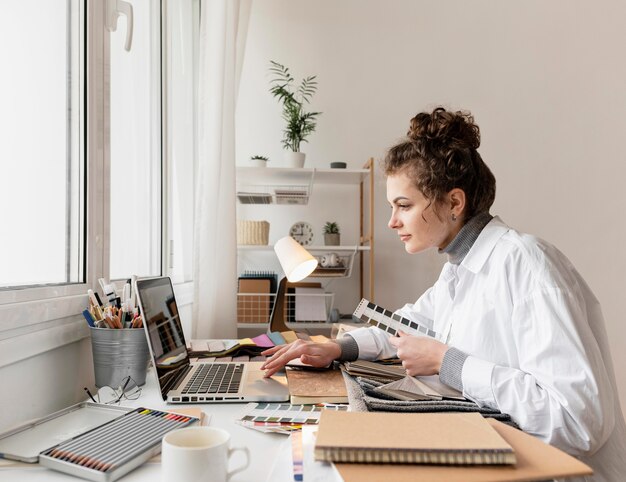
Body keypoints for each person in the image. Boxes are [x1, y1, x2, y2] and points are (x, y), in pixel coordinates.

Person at [261, 107, 626, 481]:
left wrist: (449, 362)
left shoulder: (527, 264)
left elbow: (579, 422)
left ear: (454, 203)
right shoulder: (460, 269)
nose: (392, 222)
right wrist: (339, 347)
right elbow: (406, 325)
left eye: (404, 205)